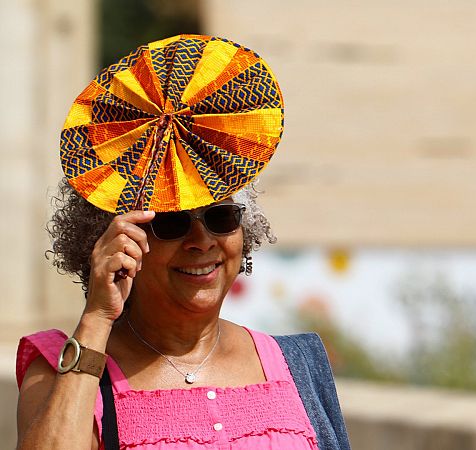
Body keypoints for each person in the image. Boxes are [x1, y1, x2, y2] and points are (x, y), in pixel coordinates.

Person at [15, 35, 350, 450]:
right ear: (121, 241)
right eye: (172, 224)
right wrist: (97, 317)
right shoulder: (59, 369)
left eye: (221, 218)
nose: (202, 241)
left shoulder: (298, 365)